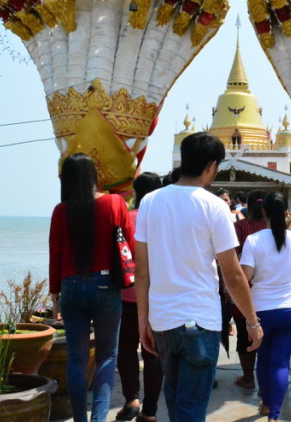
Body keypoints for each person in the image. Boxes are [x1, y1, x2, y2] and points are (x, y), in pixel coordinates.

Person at [135, 132, 263, 422]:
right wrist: (253, 322)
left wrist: (144, 322)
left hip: (163, 320)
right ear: (210, 166)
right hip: (201, 321)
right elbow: (232, 274)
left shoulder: (150, 202)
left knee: (176, 401)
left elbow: (142, 272)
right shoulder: (216, 206)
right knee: (191, 410)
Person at [49, 153, 133, 422]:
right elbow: (129, 244)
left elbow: (55, 254)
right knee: (107, 356)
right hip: (106, 285)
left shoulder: (61, 211)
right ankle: (98, 419)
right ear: (94, 176)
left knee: (77, 358)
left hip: (71, 285)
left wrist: (54, 296)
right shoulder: (115, 203)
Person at [239, 192, 291, 421]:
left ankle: (266, 404)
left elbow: (246, 277)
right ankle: (274, 416)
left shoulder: (253, 240)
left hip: (261, 311)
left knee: (264, 359)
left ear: (264, 212)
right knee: (281, 362)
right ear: (286, 213)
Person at [116, 172, 163, 422]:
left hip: (127, 296)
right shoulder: (166, 221)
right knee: (153, 353)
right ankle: (150, 411)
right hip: (158, 298)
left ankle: (132, 399)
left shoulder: (128, 218)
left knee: (126, 349)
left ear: (135, 193)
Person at [231, 190, 269, 389]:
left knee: (244, 336)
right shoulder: (275, 228)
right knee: (268, 338)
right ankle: (266, 384)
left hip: (246, 290)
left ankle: (248, 378)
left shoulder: (240, 227)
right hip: (269, 291)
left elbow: (232, 257)